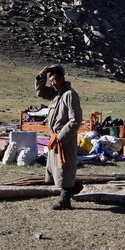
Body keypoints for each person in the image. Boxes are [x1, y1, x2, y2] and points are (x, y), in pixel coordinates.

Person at [35, 64, 84, 210]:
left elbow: (75, 120)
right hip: (55, 138)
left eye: (55, 79)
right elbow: (40, 92)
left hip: (64, 139)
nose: (53, 83)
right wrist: (41, 77)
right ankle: (75, 187)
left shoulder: (69, 94)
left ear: (63, 79)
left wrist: (61, 138)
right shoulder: (57, 94)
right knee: (57, 169)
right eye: (51, 80)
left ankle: (65, 201)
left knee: (64, 168)